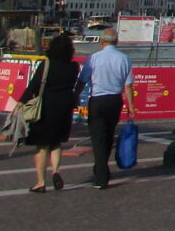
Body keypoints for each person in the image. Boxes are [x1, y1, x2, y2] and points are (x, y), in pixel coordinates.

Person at [76, 29, 136, 189]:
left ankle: (101, 173)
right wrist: (131, 105)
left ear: (101, 42)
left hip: (97, 100)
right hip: (115, 100)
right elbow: (128, 84)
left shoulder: (94, 58)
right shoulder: (124, 58)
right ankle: (101, 167)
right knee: (109, 135)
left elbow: (83, 79)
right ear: (117, 42)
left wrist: (75, 94)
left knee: (97, 136)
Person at [20, 33, 81, 192]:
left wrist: (21, 103)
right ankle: (56, 171)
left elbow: (33, 86)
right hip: (64, 108)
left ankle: (40, 182)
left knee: (42, 146)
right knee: (56, 142)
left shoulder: (46, 64)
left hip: (45, 107)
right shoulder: (73, 67)